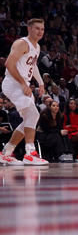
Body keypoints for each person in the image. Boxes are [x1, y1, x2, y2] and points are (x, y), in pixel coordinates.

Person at [0, 19, 49, 165]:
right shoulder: (22, 43)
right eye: (37, 28)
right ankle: (30, 153)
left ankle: (6, 152)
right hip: (13, 84)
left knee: (30, 119)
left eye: (42, 29)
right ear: (29, 29)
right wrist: (22, 83)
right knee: (33, 114)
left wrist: (40, 83)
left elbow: (33, 66)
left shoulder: (37, 47)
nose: (40, 32)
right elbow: (9, 63)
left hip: (22, 85)